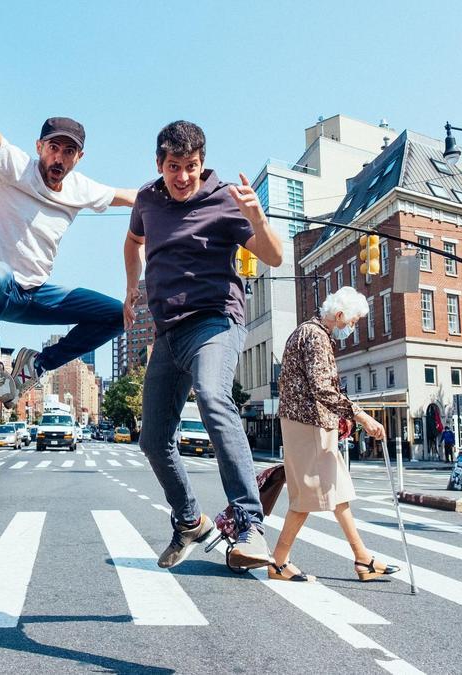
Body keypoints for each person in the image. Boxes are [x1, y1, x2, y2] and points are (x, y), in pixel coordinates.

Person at [0, 8, 137, 409]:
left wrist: (192, 192)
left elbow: (134, 196)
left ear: (78, 158)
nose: (59, 159)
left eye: (68, 153)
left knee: (116, 315)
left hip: (39, 295)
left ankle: (35, 367)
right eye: (54, 148)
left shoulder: (81, 187)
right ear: (40, 148)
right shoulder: (15, 165)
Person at [124, 120, 284, 570]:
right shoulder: (147, 200)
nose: (183, 177)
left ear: (202, 163)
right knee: (153, 439)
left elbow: (273, 256)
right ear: (160, 165)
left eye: (191, 166)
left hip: (214, 322)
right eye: (174, 167)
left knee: (214, 397)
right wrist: (130, 288)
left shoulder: (226, 200)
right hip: (166, 333)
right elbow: (133, 240)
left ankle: (250, 526)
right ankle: (190, 520)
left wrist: (257, 215)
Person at [271, 287, 400, 583]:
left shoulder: (309, 333)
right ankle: (278, 561)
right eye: (351, 322)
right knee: (307, 496)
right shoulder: (315, 336)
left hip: (310, 422)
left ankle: (362, 558)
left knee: (337, 491)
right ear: (339, 315)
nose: (351, 329)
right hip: (309, 423)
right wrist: (361, 415)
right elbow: (322, 388)